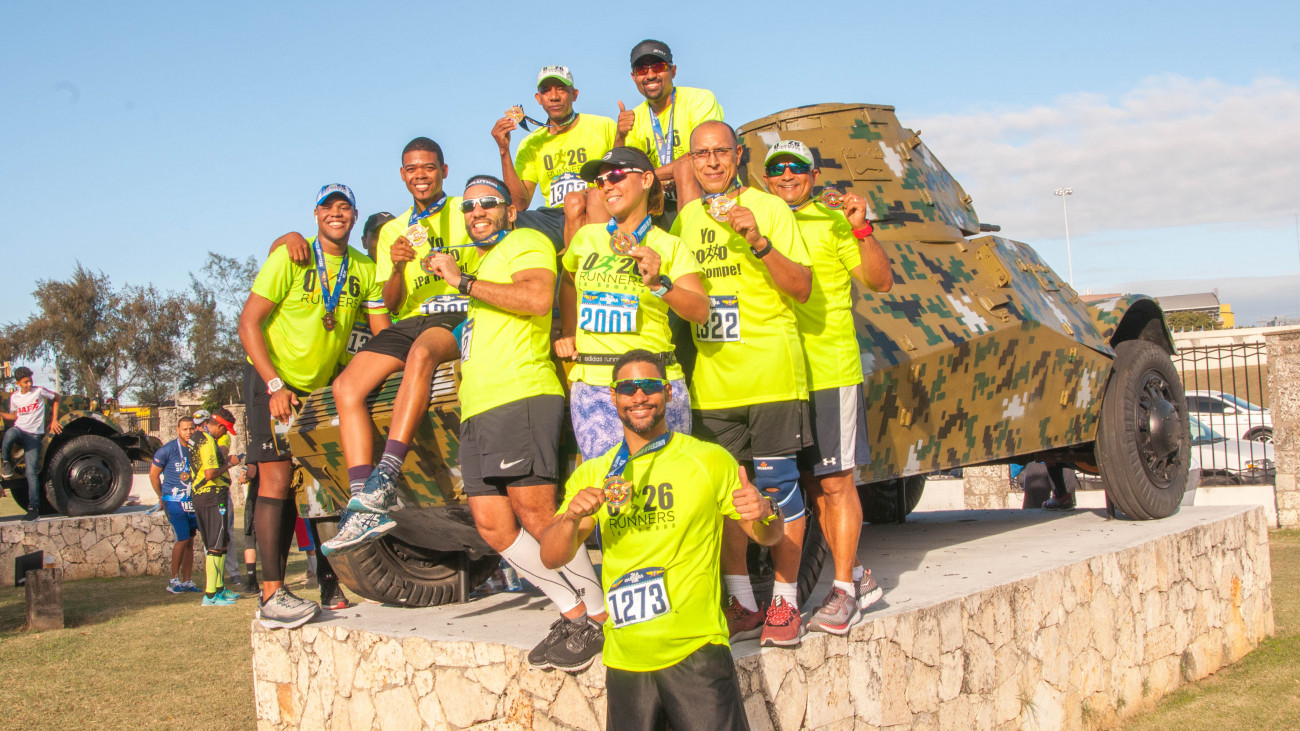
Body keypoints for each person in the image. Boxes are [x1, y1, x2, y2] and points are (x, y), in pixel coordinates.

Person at [418, 174, 607, 671]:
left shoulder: (525, 242)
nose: (477, 211)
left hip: (521, 396)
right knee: (492, 526)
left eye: (488, 202)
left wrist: (461, 281)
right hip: (479, 408)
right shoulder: (485, 263)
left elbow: (538, 299)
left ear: (510, 209)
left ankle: (599, 616)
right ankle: (572, 613)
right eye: (469, 206)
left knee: (539, 517)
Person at [540, 350, 783, 730]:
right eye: (628, 388)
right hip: (625, 660)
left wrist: (766, 509)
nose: (639, 396)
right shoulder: (594, 473)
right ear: (613, 397)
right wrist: (570, 519)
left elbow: (768, 535)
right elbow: (552, 557)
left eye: (649, 386)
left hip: (696, 651)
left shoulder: (709, 459)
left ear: (668, 392)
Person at [284, 138, 479, 555]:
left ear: (444, 171)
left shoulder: (467, 210)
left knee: (421, 355)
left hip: (457, 311)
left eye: (429, 167)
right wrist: (398, 266)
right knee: (346, 388)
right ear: (402, 175)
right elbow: (390, 303)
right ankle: (363, 502)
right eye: (412, 169)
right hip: (411, 318)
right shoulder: (394, 229)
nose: (420, 175)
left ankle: (386, 477)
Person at [670, 121, 814, 648]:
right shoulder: (685, 219)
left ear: (737, 155)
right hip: (712, 384)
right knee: (728, 499)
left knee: (778, 490)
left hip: (771, 375)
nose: (711, 162)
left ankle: (785, 601)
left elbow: (801, 287)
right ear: (691, 161)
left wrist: (757, 241)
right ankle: (743, 604)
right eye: (701, 154)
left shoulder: (769, 208)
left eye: (720, 152)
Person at [238, 183, 389, 629]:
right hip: (273, 381)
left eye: (344, 207)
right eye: (328, 207)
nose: (336, 213)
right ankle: (271, 594)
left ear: (354, 215)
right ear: (316, 214)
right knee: (276, 479)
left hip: (318, 389)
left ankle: (323, 582)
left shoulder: (363, 267)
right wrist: (274, 384)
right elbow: (248, 323)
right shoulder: (292, 256)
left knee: (316, 484)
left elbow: (380, 330)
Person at [762, 139, 894, 634]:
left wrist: (862, 227)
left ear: (814, 175)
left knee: (836, 481)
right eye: (777, 167)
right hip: (782, 373)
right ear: (766, 178)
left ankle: (844, 593)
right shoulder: (761, 220)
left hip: (828, 370)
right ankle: (857, 574)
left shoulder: (835, 220)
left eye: (797, 166)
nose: (787, 174)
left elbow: (880, 281)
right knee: (812, 482)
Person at [556, 147, 709, 459]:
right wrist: (569, 330)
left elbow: (701, 311)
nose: (607, 186)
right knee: (609, 484)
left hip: (654, 383)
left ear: (646, 180)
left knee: (668, 480)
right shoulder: (586, 237)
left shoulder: (669, 245)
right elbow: (569, 281)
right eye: (600, 182)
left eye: (616, 175)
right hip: (595, 386)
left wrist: (659, 285)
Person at [492, 65, 617, 250]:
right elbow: (519, 204)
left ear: (574, 94)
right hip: (553, 217)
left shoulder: (603, 126)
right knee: (501, 218)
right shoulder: (531, 143)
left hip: (595, 209)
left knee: (581, 202)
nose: (554, 96)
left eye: (561, 89)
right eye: (546, 90)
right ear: (538, 98)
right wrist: (504, 150)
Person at [615, 39, 723, 223]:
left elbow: (703, 155)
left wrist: (653, 175)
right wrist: (620, 135)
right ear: (633, 77)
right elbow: (625, 172)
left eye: (658, 67)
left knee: (685, 167)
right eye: (641, 70)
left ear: (673, 71)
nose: (650, 75)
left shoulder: (699, 100)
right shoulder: (633, 117)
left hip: (704, 195)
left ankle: (692, 234)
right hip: (658, 203)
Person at [190, 407, 243, 607]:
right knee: (214, 544)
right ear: (220, 426)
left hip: (210, 495)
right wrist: (230, 464)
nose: (225, 434)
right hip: (210, 495)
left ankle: (219, 588)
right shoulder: (206, 440)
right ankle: (211, 594)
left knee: (221, 542)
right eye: (225, 430)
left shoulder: (201, 438)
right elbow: (210, 473)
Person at [0, 366, 61, 521]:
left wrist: (54, 420)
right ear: (18, 383)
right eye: (25, 382)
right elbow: (15, 416)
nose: (29, 384)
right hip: (19, 430)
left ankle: (33, 509)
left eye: (30, 381)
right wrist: (1, 414)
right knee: (10, 434)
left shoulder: (39, 391)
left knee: (31, 472)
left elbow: (57, 397)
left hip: (33, 436)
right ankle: (5, 462)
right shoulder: (15, 397)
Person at [149, 416, 202, 593]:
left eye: (191, 429)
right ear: (177, 430)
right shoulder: (167, 450)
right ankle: (173, 580)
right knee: (182, 538)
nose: (188, 432)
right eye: (185, 429)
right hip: (174, 501)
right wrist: (161, 496)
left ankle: (187, 581)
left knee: (190, 541)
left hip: (192, 502)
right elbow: (153, 475)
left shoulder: (197, 448)